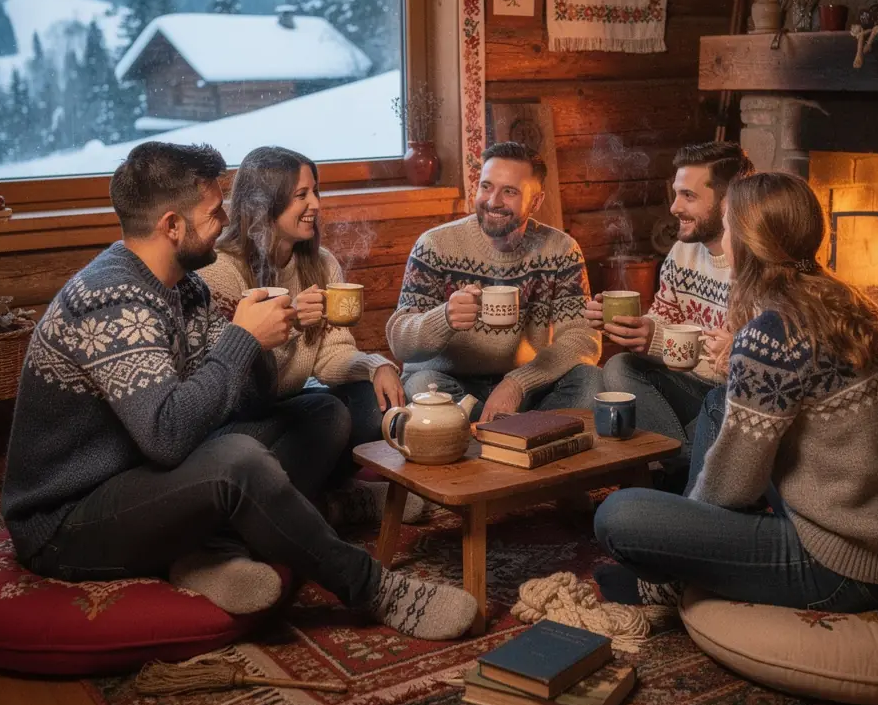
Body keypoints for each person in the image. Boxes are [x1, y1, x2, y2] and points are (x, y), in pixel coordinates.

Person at [1, 142, 476, 640]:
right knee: (236, 458)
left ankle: (208, 551)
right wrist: (241, 339)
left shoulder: (184, 287)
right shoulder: (112, 300)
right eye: (213, 213)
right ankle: (372, 588)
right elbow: (167, 435)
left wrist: (266, 340)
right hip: (68, 519)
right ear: (171, 225)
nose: (227, 220)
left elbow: (249, 401)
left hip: (142, 477)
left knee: (320, 412)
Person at [593, 171, 878, 613]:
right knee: (717, 403)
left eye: (729, 224)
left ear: (750, 239)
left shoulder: (772, 333)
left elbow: (733, 486)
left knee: (618, 516)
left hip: (842, 567)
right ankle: (701, 562)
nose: (724, 237)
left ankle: (671, 583)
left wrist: (688, 534)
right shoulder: (848, 301)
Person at [199, 146, 423, 525]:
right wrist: (291, 326)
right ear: (263, 204)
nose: (316, 204)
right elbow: (236, 386)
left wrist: (375, 366)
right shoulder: (221, 271)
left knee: (377, 403)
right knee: (328, 414)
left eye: (315, 192)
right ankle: (303, 512)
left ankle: (325, 501)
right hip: (235, 420)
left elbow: (330, 357)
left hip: (293, 406)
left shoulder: (321, 264)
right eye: (301, 195)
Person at [387, 141, 602, 421]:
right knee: (419, 387)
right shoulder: (434, 246)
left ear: (536, 201)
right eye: (486, 186)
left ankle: (496, 434)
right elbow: (400, 342)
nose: (493, 201)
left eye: (509, 191)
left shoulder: (561, 250)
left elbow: (582, 338)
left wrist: (518, 383)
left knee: (590, 381)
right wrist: (445, 318)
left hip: (527, 388)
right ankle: (525, 434)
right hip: (451, 385)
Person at [589, 141, 753, 468]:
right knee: (619, 367)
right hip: (690, 386)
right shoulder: (682, 252)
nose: (674, 208)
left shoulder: (753, 263)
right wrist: (639, 333)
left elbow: (751, 366)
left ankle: (670, 465)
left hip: (734, 397)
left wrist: (660, 339)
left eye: (688, 196)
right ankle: (680, 461)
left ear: (728, 201)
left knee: (716, 409)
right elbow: (664, 325)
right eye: (676, 193)